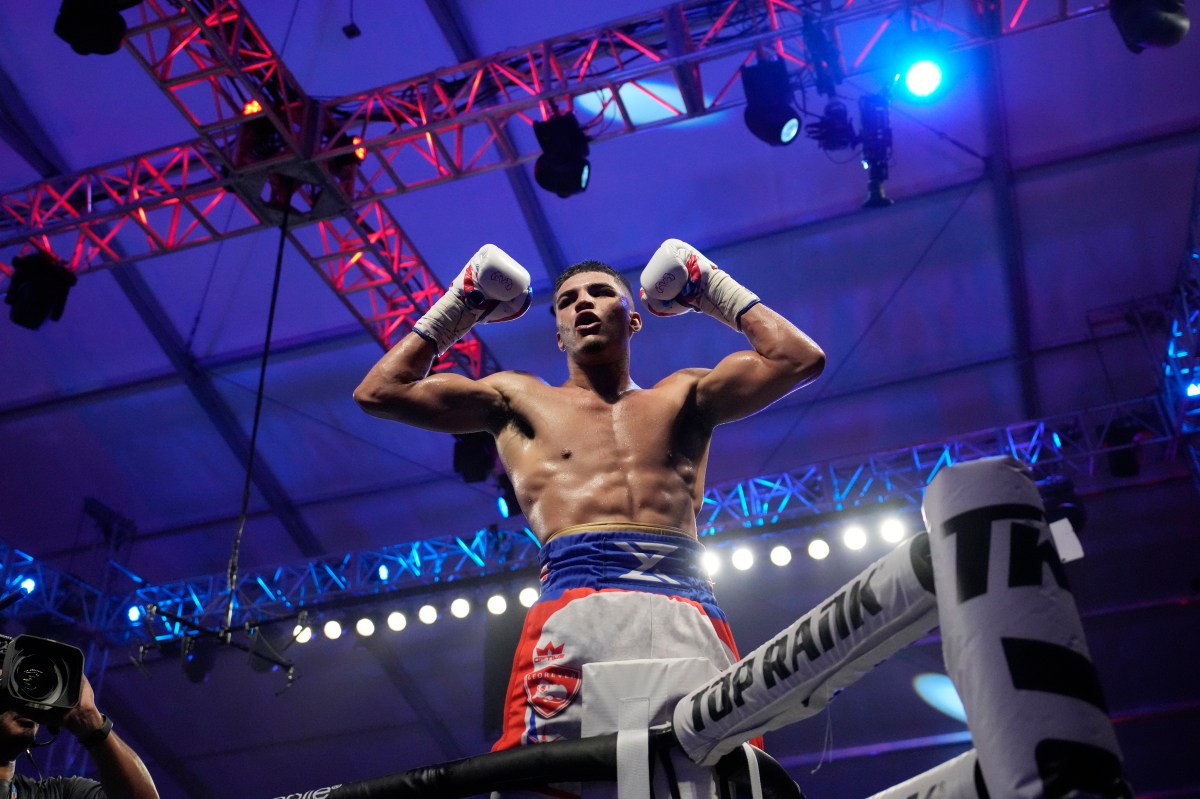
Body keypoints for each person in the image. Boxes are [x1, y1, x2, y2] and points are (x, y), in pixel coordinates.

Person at [354, 239, 824, 758]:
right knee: (542, 779)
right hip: (573, 599)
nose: (583, 303)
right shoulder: (516, 398)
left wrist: (709, 285)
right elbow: (379, 393)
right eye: (567, 300)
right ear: (558, 334)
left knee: (719, 768)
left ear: (634, 317)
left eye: (601, 293)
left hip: (685, 599)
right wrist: (459, 305)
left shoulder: (686, 394)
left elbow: (798, 359)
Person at [0, 673, 159, 799]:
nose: (24, 700)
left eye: (29, 690)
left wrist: (92, 724)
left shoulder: (59, 794)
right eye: (7, 688)